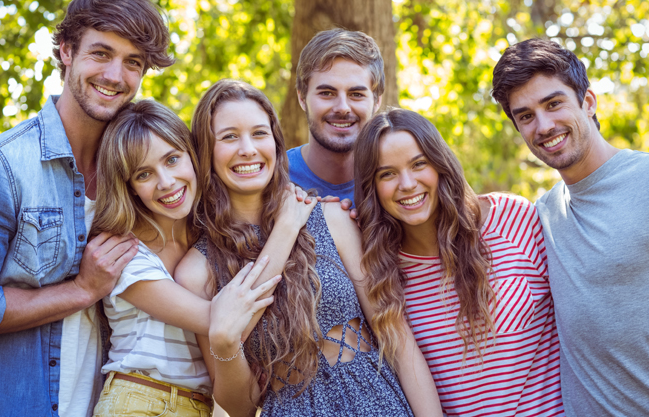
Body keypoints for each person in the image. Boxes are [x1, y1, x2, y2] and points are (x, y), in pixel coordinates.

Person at [0, 0, 173, 416]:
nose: (115, 75)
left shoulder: (134, 174)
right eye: (101, 53)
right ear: (67, 51)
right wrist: (82, 290)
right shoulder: (3, 166)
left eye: (133, 63)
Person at [176, 79, 441, 417]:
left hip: (377, 403)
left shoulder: (330, 218)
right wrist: (226, 344)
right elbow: (240, 407)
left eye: (259, 133)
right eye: (229, 137)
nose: (248, 149)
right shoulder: (196, 270)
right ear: (205, 151)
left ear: (275, 141)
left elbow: (396, 336)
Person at [353, 109, 564, 416]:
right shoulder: (380, 271)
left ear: (440, 165)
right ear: (371, 187)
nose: (408, 183)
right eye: (387, 174)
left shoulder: (513, 219)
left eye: (419, 164)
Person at [88, 100, 288, 417]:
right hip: (140, 402)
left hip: (198, 407)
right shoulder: (125, 253)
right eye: (144, 174)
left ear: (192, 156)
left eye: (172, 159)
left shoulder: (207, 240)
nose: (166, 182)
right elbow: (221, 324)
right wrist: (288, 228)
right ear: (129, 187)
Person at [492, 38, 649, 416]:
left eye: (554, 103)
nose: (544, 125)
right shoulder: (541, 215)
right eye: (526, 115)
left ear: (589, 102)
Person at [287, 28, 384, 201]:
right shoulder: (272, 179)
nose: (342, 108)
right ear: (302, 97)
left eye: (356, 94)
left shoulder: (395, 182)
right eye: (327, 93)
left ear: (377, 101)